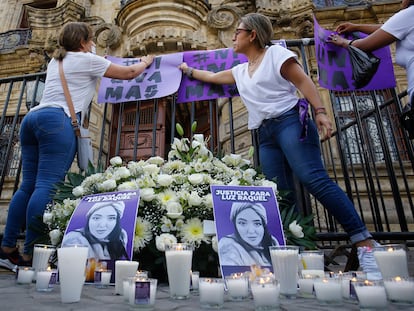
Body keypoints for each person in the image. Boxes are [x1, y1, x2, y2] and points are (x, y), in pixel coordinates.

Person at [179, 13, 381, 279]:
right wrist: (187, 71)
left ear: (252, 34)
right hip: (266, 134)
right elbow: (213, 77)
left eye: (237, 31)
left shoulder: (275, 54)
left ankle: (365, 243)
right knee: (279, 193)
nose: (233, 36)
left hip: (289, 122)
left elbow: (303, 81)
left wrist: (320, 111)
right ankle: (295, 255)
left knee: (313, 178)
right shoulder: (241, 70)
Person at [0, 21, 154, 271]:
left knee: (27, 186)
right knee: (46, 186)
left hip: (32, 119)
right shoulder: (86, 60)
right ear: (83, 42)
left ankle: (7, 248)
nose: (93, 43)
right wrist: (146, 62)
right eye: (91, 39)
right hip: (57, 121)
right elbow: (128, 73)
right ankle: (30, 254)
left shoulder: (56, 61)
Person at [328, 0, 414, 100]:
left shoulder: (409, 14)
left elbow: (365, 45)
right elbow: (388, 29)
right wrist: (357, 27)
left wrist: (343, 42)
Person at [61, 201, 128, 261]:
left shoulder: (121, 236)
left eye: (111, 218)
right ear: (89, 219)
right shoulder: (75, 239)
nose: (102, 225)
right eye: (96, 218)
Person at [219, 202, 279, 266]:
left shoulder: (272, 242)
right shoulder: (228, 245)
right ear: (235, 225)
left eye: (257, 224)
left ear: (263, 225)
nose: (251, 231)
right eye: (242, 223)